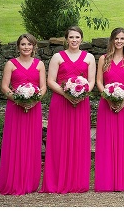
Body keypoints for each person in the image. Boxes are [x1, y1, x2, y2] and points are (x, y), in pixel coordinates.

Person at [42, 26, 96, 193]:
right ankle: (57, 180)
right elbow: (51, 81)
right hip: (60, 102)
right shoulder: (58, 57)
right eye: (71, 37)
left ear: (81, 39)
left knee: (79, 140)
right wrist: (66, 94)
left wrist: (81, 94)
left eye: (77, 37)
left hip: (81, 103)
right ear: (66, 39)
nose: (74, 40)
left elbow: (91, 82)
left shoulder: (89, 57)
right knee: (59, 140)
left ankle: (77, 181)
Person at [0, 33, 46, 195]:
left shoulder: (39, 64)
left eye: (29, 44)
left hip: (34, 108)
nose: (26, 47)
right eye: (23, 44)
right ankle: (13, 181)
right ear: (18, 46)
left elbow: (43, 87)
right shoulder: (11, 64)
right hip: (15, 108)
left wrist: (34, 100)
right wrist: (18, 99)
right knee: (14, 142)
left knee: (31, 143)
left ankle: (29, 182)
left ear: (34, 47)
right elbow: (4, 87)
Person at [94, 27, 124, 192]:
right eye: (116, 38)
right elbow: (99, 82)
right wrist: (107, 97)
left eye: (122, 38)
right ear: (112, 40)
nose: (119, 41)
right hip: (107, 104)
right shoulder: (103, 59)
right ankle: (106, 181)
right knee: (106, 142)